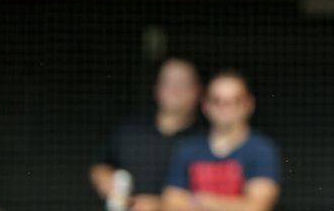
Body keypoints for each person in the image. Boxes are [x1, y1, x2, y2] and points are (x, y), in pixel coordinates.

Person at [91, 58, 204, 211]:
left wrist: (161, 206)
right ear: (157, 88)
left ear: (197, 90)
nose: (175, 89)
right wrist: (106, 180)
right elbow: (101, 165)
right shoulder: (131, 130)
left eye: (183, 83)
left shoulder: (207, 140)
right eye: (168, 82)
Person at [162, 70, 280, 211]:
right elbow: (170, 203)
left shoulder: (261, 150)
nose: (225, 108)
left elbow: (256, 207)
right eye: (217, 100)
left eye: (234, 101)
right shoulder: (188, 148)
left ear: (249, 104)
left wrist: (202, 201)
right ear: (206, 105)